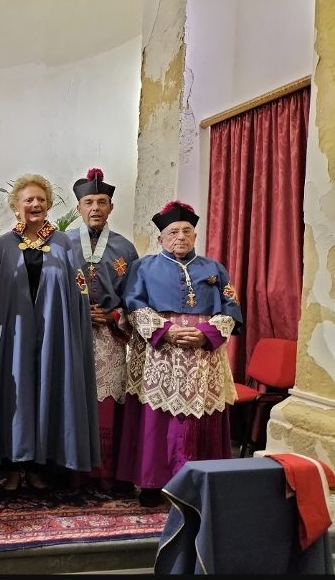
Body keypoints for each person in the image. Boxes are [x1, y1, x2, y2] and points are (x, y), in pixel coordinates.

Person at [116, 200, 243, 507]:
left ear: (195, 236)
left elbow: (231, 308)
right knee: (157, 416)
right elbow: (134, 305)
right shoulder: (143, 267)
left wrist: (206, 333)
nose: (181, 237)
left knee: (201, 416)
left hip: (203, 356)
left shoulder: (214, 269)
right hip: (161, 352)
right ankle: (152, 482)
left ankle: (199, 480)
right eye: (173, 232)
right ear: (161, 238)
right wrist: (166, 331)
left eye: (187, 231)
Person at [0, 173, 101, 492]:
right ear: (16, 206)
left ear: (49, 205)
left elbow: (79, 290)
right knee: (15, 397)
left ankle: (38, 466)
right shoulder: (4, 245)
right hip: (14, 339)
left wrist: (74, 329)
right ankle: (12, 466)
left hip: (54, 336)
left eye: (41, 200)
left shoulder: (64, 243)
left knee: (48, 389)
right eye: (28, 200)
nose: (35, 204)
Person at [66, 168, 138, 497]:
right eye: (88, 202)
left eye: (102, 202)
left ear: (111, 207)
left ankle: (106, 475)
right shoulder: (62, 244)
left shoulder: (125, 249)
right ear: (78, 207)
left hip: (111, 338)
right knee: (72, 402)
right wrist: (78, 313)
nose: (95, 207)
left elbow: (136, 296)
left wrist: (113, 314)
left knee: (107, 405)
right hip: (70, 337)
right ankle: (72, 475)